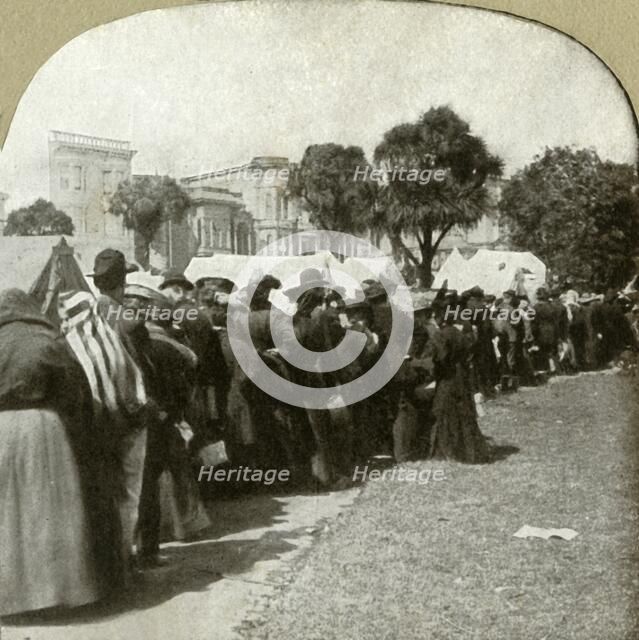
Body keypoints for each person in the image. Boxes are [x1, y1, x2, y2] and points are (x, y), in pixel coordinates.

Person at [0, 289, 100, 615]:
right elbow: (75, 391)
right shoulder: (49, 340)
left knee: (6, 513)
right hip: (42, 427)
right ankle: (49, 592)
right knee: (44, 507)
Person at [85, 248, 153, 579]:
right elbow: (145, 368)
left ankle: (105, 561)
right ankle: (127, 558)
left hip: (97, 415)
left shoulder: (83, 315)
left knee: (103, 490)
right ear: (122, 283)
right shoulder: (129, 321)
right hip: (129, 414)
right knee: (131, 490)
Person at [428, 296, 490, 464]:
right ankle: (468, 450)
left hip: (447, 377)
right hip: (461, 375)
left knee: (444, 410)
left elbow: (440, 358)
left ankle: (448, 450)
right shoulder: (459, 333)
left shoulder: (441, 335)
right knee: (463, 411)